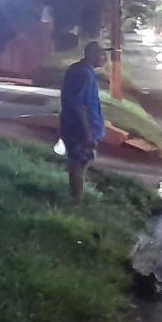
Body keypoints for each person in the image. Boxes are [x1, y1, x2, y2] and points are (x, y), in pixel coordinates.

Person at [59, 41, 107, 203]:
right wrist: (87, 133)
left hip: (73, 125)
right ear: (91, 54)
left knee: (79, 163)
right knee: (79, 164)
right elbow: (79, 105)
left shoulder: (79, 70)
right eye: (101, 54)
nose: (105, 58)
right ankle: (76, 202)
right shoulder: (84, 74)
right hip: (79, 128)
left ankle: (75, 199)